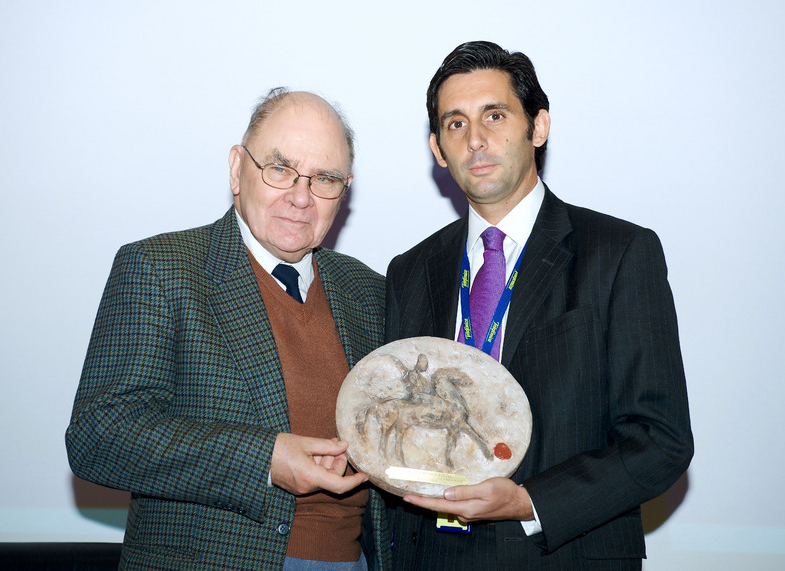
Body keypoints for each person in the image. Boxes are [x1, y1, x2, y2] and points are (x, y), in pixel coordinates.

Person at [384, 41, 694, 569]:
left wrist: (530, 502)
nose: (476, 139)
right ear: (438, 148)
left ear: (539, 127)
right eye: (455, 124)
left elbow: (659, 440)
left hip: (559, 552)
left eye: (495, 116)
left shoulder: (619, 253)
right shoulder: (410, 270)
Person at [66, 88, 391, 571]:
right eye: (280, 169)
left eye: (325, 178)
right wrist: (265, 458)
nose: (300, 197)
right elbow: (98, 436)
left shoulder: (369, 291)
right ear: (238, 169)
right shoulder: (160, 268)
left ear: (344, 191)